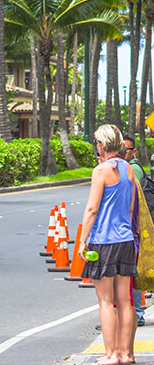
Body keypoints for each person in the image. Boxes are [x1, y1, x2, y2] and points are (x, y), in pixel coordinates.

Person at [79, 124, 137, 365]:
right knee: (125, 300)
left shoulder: (101, 171)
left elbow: (92, 209)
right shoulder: (128, 170)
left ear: (102, 145)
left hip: (104, 241)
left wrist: (82, 241)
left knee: (105, 301)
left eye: (96, 143)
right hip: (125, 241)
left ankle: (110, 354)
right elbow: (131, 208)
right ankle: (127, 354)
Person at [123, 135, 147, 331]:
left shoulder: (133, 170)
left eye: (127, 150)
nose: (124, 153)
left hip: (133, 230)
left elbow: (133, 199)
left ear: (133, 152)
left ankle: (137, 314)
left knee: (134, 274)